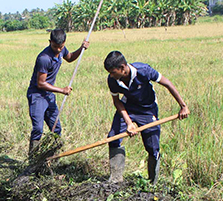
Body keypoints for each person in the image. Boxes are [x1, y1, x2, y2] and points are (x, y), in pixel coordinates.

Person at [103, 51, 190, 184]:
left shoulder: (143, 71)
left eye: (113, 72)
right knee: (113, 137)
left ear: (122, 68)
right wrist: (129, 123)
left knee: (153, 146)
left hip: (147, 109)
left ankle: (152, 182)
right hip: (128, 107)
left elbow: (167, 83)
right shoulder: (113, 80)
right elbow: (117, 102)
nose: (111, 75)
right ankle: (116, 178)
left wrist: (183, 106)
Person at [26, 28, 89, 163]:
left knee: (56, 127)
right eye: (55, 46)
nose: (59, 49)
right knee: (38, 128)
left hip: (49, 95)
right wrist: (62, 90)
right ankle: (33, 161)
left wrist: (81, 48)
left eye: (61, 46)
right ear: (50, 42)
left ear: (64, 43)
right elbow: (41, 83)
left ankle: (53, 159)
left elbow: (70, 57)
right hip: (37, 95)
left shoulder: (61, 50)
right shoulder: (44, 58)